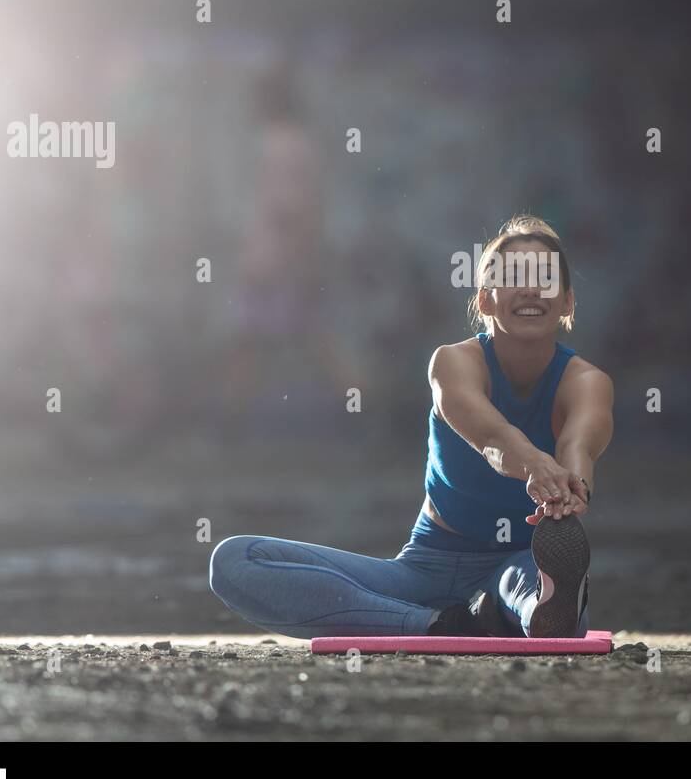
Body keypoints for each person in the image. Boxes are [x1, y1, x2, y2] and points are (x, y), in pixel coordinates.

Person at [208, 214, 614, 638]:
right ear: (486, 299)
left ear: (567, 301)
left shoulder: (586, 382)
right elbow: (493, 438)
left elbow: (579, 446)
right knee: (235, 561)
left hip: (517, 565)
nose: (531, 288)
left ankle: (541, 608)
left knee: (541, 600)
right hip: (424, 570)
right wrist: (535, 465)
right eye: (514, 276)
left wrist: (570, 490)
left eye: (544, 278)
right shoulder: (453, 363)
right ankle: (442, 624)